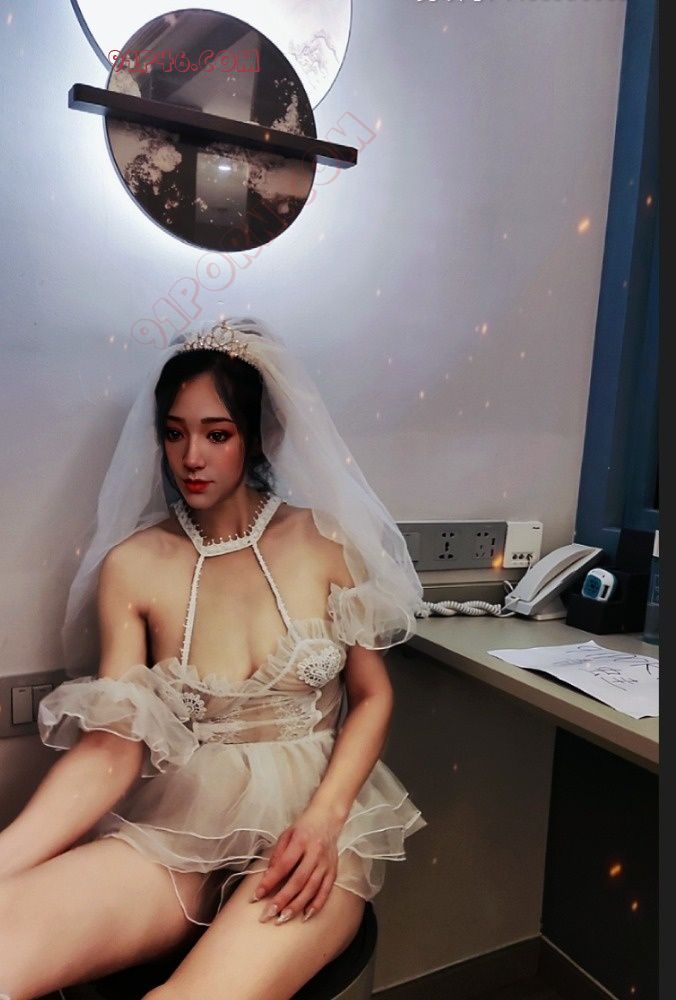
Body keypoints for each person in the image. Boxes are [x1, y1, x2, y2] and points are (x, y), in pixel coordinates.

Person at [0, 318, 427, 1000]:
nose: (191, 457)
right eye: (175, 433)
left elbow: (373, 696)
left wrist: (325, 820)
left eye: (216, 434)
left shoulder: (325, 542)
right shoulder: (134, 564)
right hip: (185, 817)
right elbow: (112, 750)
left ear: (255, 437)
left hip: (315, 823)